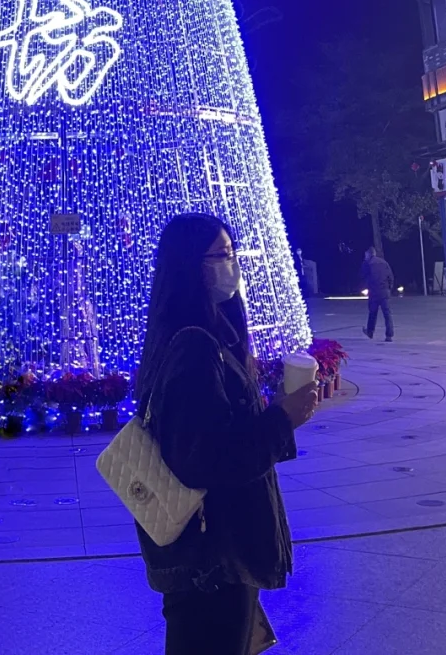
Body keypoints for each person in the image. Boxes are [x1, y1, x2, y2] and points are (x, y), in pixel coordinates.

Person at [134, 213, 318, 655]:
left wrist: (269, 407)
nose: (231, 265)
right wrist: (281, 420)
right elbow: (203, 460)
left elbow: (214, 428)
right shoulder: (194, 346)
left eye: (232, 254)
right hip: (211, 559)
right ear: (189, 266)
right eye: (220, 255)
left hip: (212, 555)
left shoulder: (200, 336)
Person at [361, 245, 395, 342]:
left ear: (369, 254)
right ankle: (389, 335)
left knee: (372, 313)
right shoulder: (384, 263)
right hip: (384, 292)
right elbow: (390, 277)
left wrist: (365, 288)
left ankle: (370, 332)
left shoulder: (368, 264)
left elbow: (364, 276)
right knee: (387, 314)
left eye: (365, 255)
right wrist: (389, 288)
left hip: (374, 292)